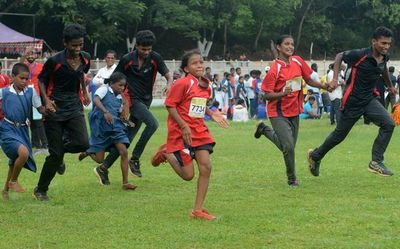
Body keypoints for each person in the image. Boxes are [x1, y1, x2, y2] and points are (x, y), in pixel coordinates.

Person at [307, 26, 397, 177]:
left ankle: (376, 162)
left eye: (388, 44)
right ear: (374, 41)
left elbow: (383, 69)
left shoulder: (384, 56)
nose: (386, 47)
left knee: (388, 124)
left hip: (369, 99)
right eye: (383, 43)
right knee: (339, 136)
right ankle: (315, 156)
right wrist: (335, 79)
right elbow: (339, 56)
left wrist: (390, 86)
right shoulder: (360, 54)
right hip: (352, 101)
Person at [150, 49, 229, 220]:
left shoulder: (206, 85)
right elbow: (170, 105)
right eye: (195, 63)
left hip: (199, 131)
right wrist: (184, 125)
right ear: (186, 68)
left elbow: (198, 105)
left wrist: (211, 112)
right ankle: (166, 152)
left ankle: (197, 210)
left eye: (201, 62)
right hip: (181, 133)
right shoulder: (182, 83)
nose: (200, 65)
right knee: (188, 175)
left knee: (206, 166)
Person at [95, 30, 172, 182]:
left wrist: (169, 84)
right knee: (153, 124)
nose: (146, 52)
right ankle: (135, 159)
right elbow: (115, 79)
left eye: (149, 49)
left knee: (127, 139)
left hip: (146, 101)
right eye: (143, 49)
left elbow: (168, 74)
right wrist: (123, 102)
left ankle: (103, 167)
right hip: (132, 100)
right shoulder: (127, 59)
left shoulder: (155, 58)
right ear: (136, 46)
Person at [254, 34, 328, 187]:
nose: (290, 47)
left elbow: (308, 79)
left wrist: (324, 86)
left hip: (294, 110)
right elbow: (266, 95)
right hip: (277, 112)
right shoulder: (275, 68)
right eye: (286, 44)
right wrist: (283, 93)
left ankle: (264, 129)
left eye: (292, 44)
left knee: (288, 146)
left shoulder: (298, 61)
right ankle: (292, 179)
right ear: (278, 47)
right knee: (288, 147)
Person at [33, 24, 91, 201]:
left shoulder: (86, 59)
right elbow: (41, 80)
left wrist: (84, 91)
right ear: (65, 43)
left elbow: (81, 74)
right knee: (55, 154)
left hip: (74, 105)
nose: (77, 48)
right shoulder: (55, 61)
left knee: (83, 143)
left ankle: (59, 154)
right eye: (74, 45)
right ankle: (40, 190)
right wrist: (47, 101)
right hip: (55, 107)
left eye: (80, 44)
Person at [78, 72, 136, 189]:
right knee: (100, 160)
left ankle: (125, 183)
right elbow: (96, 100)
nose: (122, 88)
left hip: (115, 129)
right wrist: (105, 112)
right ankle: (89, 151)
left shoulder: (120, 98)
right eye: (120, 85)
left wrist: (127, 121)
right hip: (101, 129)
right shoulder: (104, 90)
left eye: (124, 86)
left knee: (124, 152)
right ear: (111, 84)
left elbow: (119, 114)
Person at [1, 63, 45, 200]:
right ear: (12, 77)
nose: (25, 81)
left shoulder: (31, 92)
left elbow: (40, 108)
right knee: (23, 153)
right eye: (22, 78)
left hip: (23, 130)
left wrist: (48, 108)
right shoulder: (4, 92)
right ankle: (13, 181)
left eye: (27, 79)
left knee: (14, 161)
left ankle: (5, 190)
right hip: (7, 129)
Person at [20, 47, 49, 154]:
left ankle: (44, 145)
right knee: (31, 121)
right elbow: (18, 65)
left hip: (37, 96)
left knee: (38, 121)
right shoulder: (23, 67)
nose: (30, 56)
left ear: (36, 56)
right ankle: (35, 144)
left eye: (32, 54)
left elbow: (45, 80)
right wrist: (25, 53)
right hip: (26, 96)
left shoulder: (41, 67)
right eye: (29, 54)